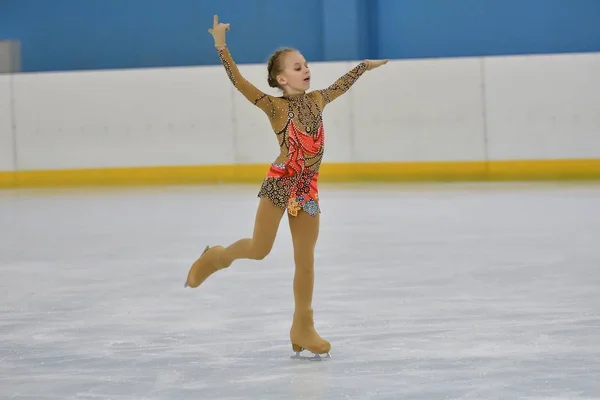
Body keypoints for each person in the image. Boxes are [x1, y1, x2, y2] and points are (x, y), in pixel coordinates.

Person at [185, 15, 388, 359]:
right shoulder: (274, 107)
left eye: (306, 64)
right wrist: (221, 46)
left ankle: (302, 326)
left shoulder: (319, 99)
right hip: (279, 186)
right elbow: (241, 83)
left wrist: (362, 67)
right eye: (298, 66)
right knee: (259, 248)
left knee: (305, 261)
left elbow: (341, 85)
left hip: (307, 191)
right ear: (282, 78)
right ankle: (216, 257)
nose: (306, 69)